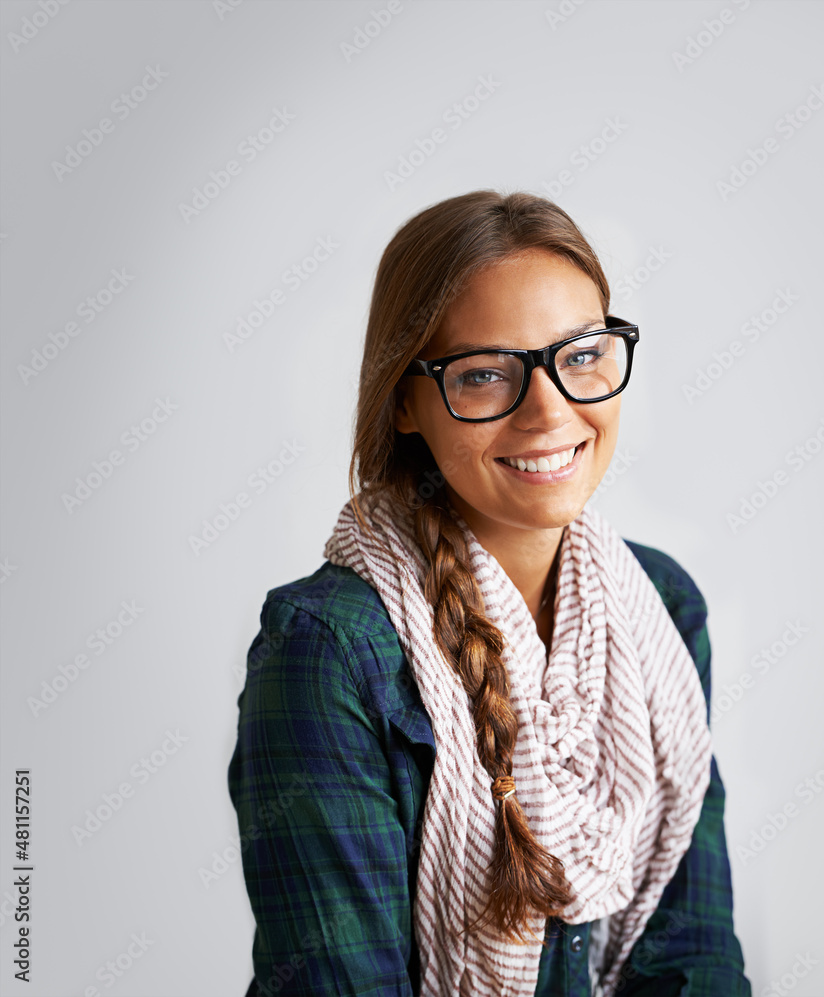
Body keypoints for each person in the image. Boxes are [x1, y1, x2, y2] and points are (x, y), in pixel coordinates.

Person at [228, 189, 751, 996]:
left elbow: (693, 957)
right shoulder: (325, 650)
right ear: (405, 400)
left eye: (581, 356)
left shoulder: (662, 607)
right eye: (483, 374)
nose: (549, 410)